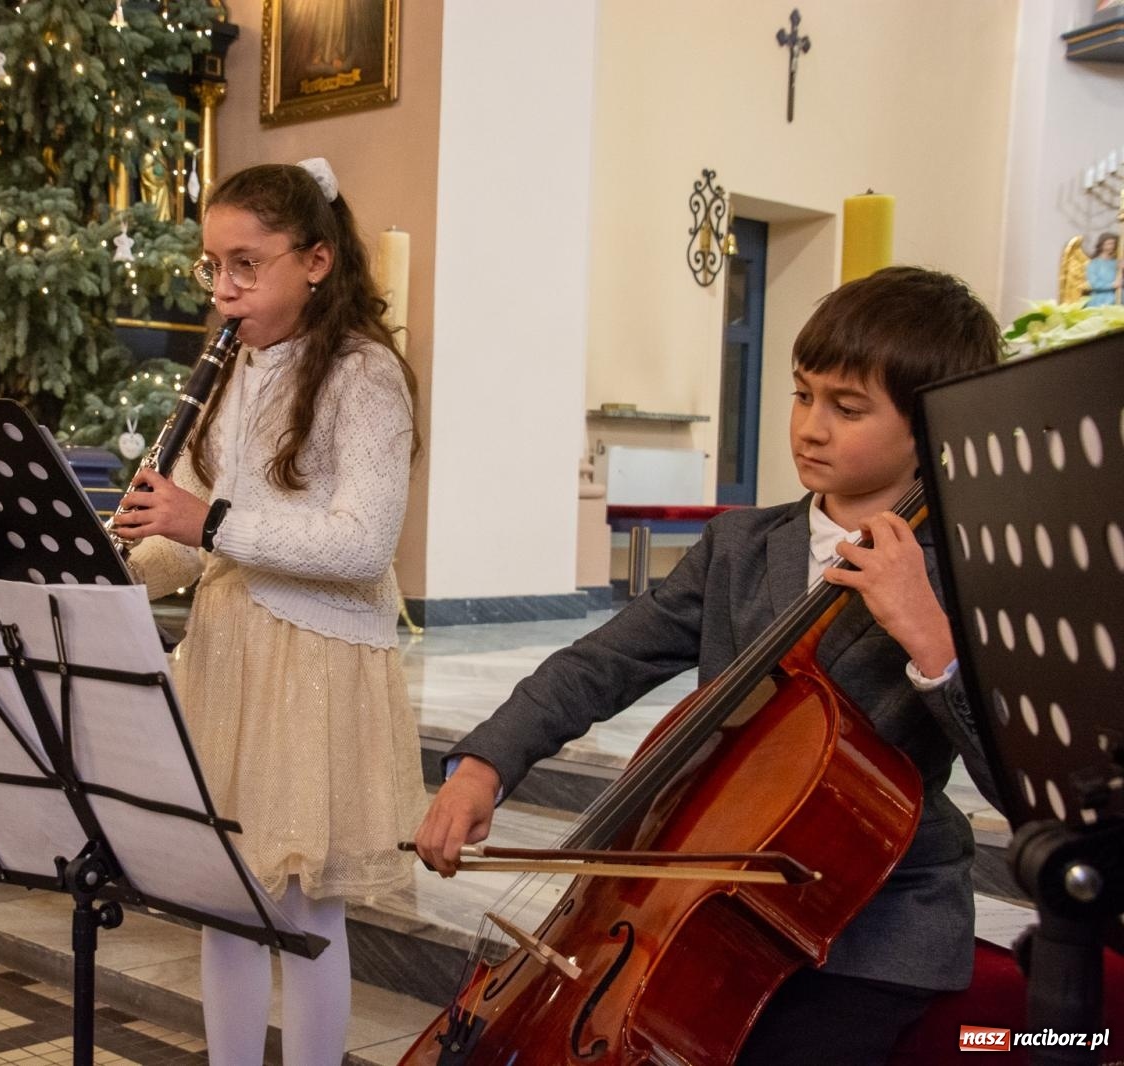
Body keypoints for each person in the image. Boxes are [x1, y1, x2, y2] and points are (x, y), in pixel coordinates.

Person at [414, 266, 1006, 1066]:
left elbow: (1019, 788)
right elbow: (603, 661)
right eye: (803, 395)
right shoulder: (741, 547)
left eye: (848, 407)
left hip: (875, 928)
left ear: (930, 424)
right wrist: (485, 764)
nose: (811, 426)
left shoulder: (971, 568)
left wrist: (931, 642)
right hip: (700, 899)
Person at [111, 158, 425, 1066]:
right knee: (227, 900)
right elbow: (195, 538)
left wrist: (200, 517)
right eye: (213, 266)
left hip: (316, 662)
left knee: (301, 907)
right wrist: (120, 564)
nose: (224, 288)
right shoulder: (234, 373)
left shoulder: (365, 376)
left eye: (246, 264)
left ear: (317, 260)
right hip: (231, 654)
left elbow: (362, 544)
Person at [1084, 232, 1121, 307]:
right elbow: (1094, 284)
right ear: (1102, 245)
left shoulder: (1117, 262)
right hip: (1101, 300)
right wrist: (1112, 285)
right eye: (1109, 244)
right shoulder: (1094, 264)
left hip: (1118, 299)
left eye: (1113, 243)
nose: (1112, 246)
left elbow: (1120, 281)